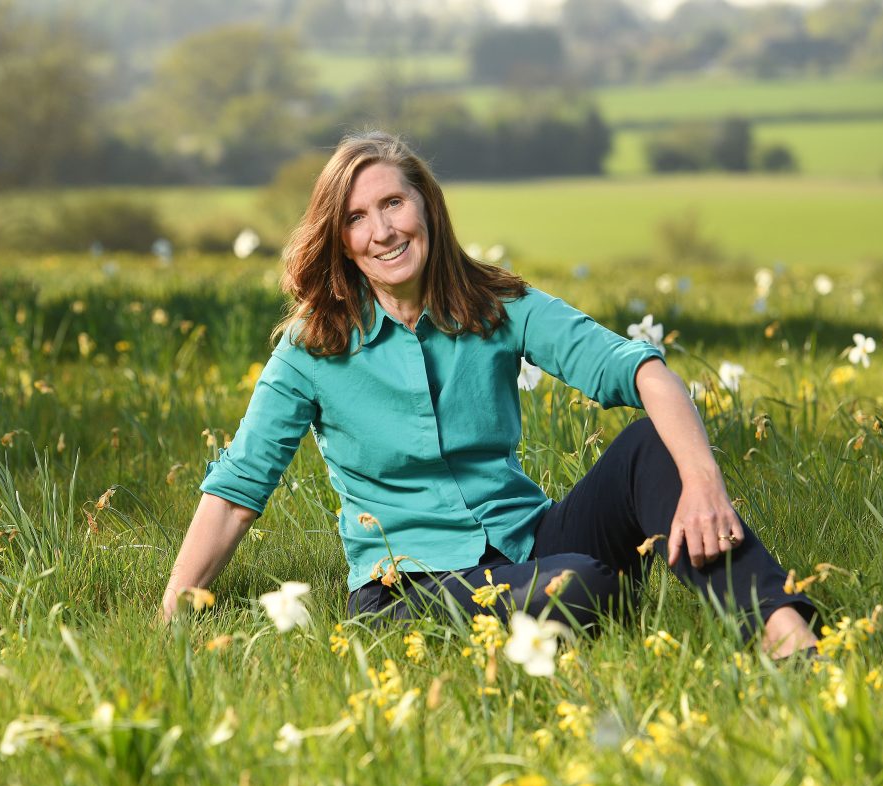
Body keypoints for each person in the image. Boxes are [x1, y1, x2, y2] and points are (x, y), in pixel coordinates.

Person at [161, 131, 818, 658]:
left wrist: (703, 482)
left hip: (531, 542)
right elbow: (236, 492)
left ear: (426, 208)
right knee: (586, 584)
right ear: (341, 240)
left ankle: (787, 638)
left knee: (654, 447)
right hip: (408, 589)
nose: (383, 230)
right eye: (358, 218)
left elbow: (640, 370)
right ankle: (585, 603)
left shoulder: (495, 305)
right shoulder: (313, 346)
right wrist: (170, 618)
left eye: (393, 203)